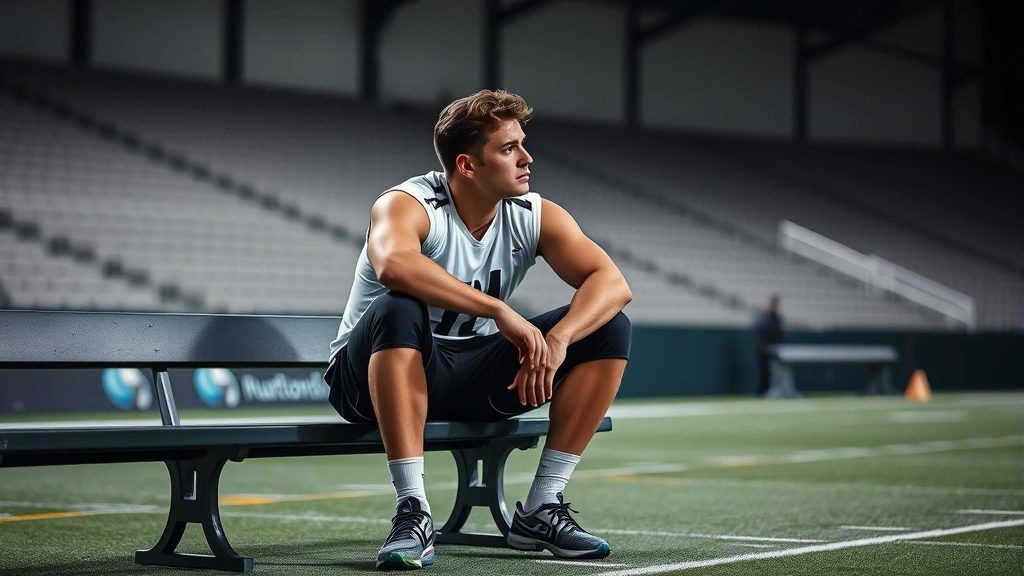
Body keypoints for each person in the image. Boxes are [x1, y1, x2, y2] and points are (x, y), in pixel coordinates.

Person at [323, 89, 632, 571]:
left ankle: (541, 509)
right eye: (509, 149)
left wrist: (558, 339)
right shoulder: (407, 202)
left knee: (608, 327)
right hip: (367, 380)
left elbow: (611, 282)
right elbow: (394, 266)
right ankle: (413, 512)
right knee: (398, 308)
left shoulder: (533, 213)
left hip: (465, 373)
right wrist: (499, 311)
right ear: (467, 165)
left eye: (523, 144)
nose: (527, 158)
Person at [755, 295, 785, 396]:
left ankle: (778, 391)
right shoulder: (765, 316)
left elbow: (781, 333)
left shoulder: (778, 317)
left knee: (778, 372)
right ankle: (763, 392)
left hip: (777, 350)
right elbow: (762, 332)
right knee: (765, 372)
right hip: (765, 350)